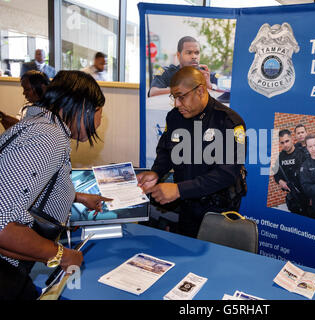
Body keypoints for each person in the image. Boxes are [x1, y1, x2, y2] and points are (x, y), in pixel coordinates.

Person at [0, 70, 111, 300]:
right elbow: (2, 225)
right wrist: (62, 254)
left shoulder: (37, 125)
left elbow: (30, 185)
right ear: (83, 106)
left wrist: (78, 196)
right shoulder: (48, 137)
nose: (99, 122)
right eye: (99, 110)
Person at [137, 66, 246, 238]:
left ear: (200, 90)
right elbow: (166, 150)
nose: (177, 104)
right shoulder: (175, 117)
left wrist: (179, 190)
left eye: (181, 97)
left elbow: (228, 173)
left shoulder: (229, 122)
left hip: (217, 212)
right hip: (187, 205)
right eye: (174, 97)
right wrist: (156, 171)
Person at [149, 36, 218, 98]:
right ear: (178, 55)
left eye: (197, 53)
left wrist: (210, 86)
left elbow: (226, 92)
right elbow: (153, 92)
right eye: (189, 53)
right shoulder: (166, 72)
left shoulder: (206, 75)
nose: (194, 57)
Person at [272, 129, 308, 215]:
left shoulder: (302, 153)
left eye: (287, 141)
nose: (285, 145)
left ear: (292, 139)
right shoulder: (280, 157)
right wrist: (280, 181)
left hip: (307, 193)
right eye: (282, 143)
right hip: (294, 197)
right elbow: (276, 175)